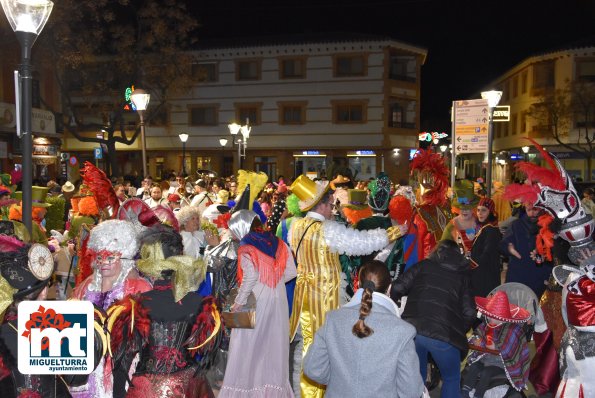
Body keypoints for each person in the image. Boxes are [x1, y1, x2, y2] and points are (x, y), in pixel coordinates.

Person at [288, 175, 403, 398]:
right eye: (330, 205)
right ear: (320, 205)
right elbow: (361, 244)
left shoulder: (296, 226)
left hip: (303, 296)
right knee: (326, 347)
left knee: (306, 347)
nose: (333, 209)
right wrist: (393, 232)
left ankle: (302, 392)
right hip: (325, 297)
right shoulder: (328, 230)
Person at [108, 225, 219, 398]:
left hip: (147, 388)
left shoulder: (136, 306)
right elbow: (204, 349)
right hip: (189, 384)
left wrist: (118, 394)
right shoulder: (198, 303)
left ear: (151, 269)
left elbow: (123, 360)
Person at [303, 260, 424, 398]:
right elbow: (411, 391)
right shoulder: (403, 331)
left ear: (358, 285)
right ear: (389, 288)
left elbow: (312, 368)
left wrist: (338, 383)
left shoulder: (333, 319)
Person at [218, 210, 297, 397]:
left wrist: (238, 302)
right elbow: (292, 272)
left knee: (244, 346)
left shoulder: (246, 245)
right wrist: (274, 281)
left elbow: (250, 276)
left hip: (254, 300)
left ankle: (245, 390)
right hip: (278, 301)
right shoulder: (279, 242)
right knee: (273, 345)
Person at [70, 219, 152, 398]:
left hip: (120, 365)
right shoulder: (86, 286)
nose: (103, 263)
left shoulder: (137, 288)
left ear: (124, 258)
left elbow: (146, 332)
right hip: (87, 361)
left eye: (110, 257)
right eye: (99, 257)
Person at [391, 239, 476, 398]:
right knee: (451, 378)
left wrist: (396, 308)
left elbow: (397, 287)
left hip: (412, 330)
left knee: (416, 375)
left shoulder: (423, 265)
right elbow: (470, 312)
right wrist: (458, 328)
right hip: (443, 336)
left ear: (437, 251)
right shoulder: (463, 276)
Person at [462, 291, 531, 397]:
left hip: (502, 364)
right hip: (485, 358)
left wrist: (495, 346)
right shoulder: (487, 324)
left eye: (492, 316)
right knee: (474, 366)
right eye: (489, 315)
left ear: (501, 317)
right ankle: (464, 392)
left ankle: (478, 395)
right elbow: (477, 335)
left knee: (487, 372)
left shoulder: (513, 329)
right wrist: (475, 340)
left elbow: (508, 350)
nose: (489, 318)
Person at [469, 197, 503, 297]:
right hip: (481, 274)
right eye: (478, 210)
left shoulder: (491, 230)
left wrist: (469, 264)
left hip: (485, 277)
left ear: (491, 212)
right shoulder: (484, 227)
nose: (480, 213)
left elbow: (486, 255)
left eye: (484, 210)